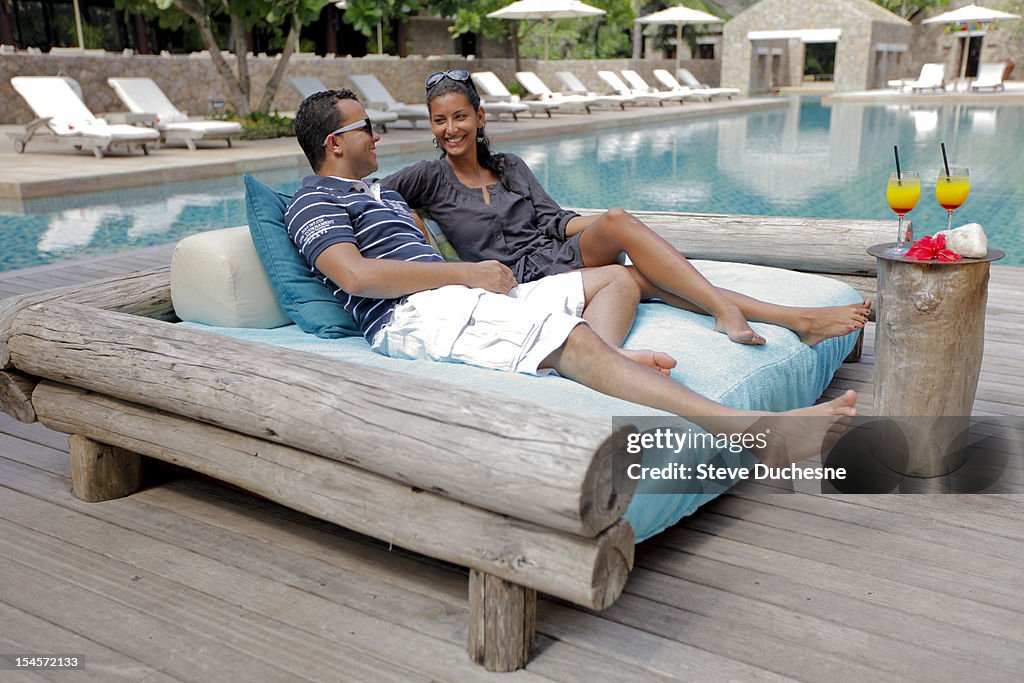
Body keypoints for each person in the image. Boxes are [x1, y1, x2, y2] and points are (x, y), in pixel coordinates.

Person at [285, 89, 858, 467]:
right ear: (335, 143)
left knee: (611, 292)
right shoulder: (314, 198)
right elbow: (355, 276)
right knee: (572, 338)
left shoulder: (380, 193)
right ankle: (757, 431)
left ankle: (616, 364)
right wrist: (467, 271)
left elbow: (524, 222)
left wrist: (456, 266)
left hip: (455, 294)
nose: (378, 135)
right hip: (412, 314)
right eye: (367, 126)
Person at [382, 69, 872, 347]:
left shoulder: (508, 165)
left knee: (619, 223)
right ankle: (776, 316)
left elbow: (555, 220)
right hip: (520, 281)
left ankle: (795, 320)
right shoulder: (426, 177)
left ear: (479, 117)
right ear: (432, 124)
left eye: (460, 117)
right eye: (440, 120)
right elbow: (373, 196)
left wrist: (622, 227)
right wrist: (421, 229)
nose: (451, 130)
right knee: (640, 273)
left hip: (556, 255)